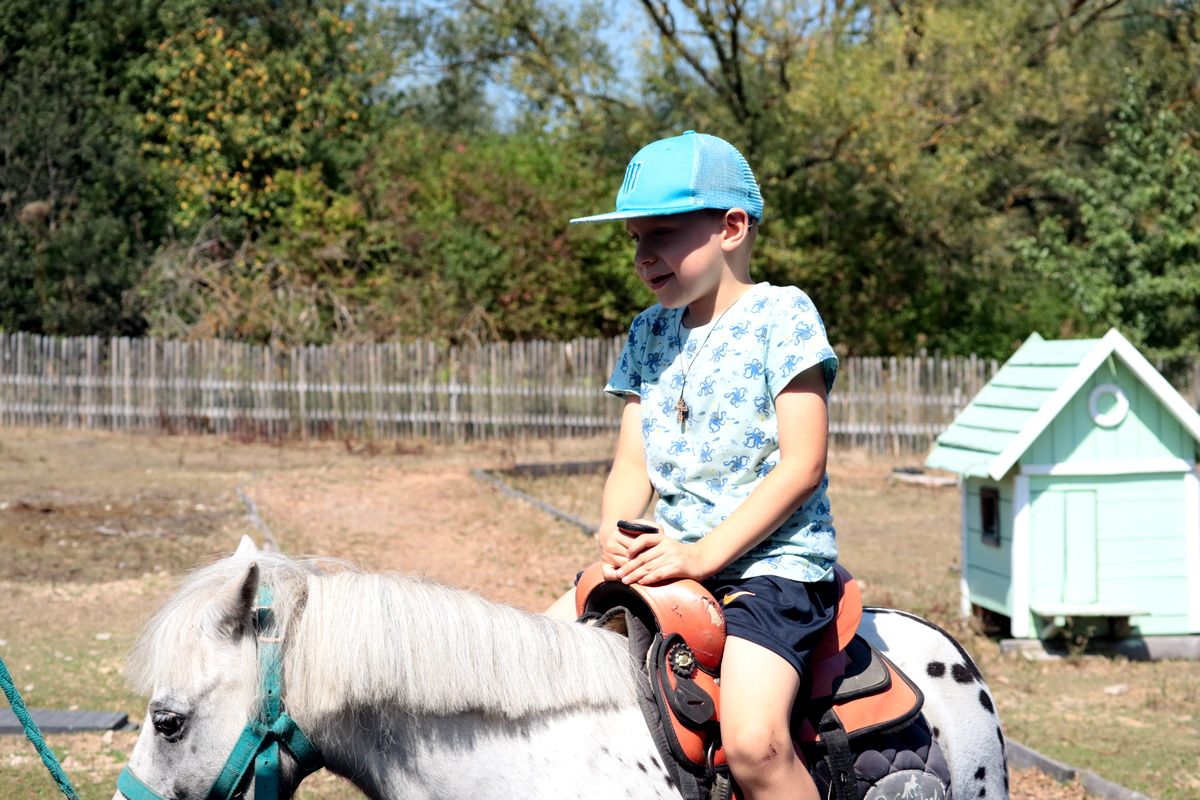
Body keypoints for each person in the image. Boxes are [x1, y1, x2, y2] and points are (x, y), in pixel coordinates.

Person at [547, 131, 839, 800]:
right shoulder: (648, 330)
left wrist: (704, 555)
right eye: (635, 240)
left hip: (771, 569)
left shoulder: (782, 316)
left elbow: (802, 465)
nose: (645, 255)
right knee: (528, 656)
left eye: (664, 235)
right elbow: (632, 462)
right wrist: (615, 527)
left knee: (753, 743)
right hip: (671, 558)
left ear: (732, 227)